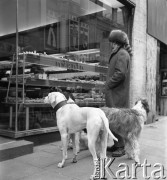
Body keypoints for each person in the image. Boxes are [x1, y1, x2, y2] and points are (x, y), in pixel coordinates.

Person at [105, 29, 132, 157]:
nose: (112, 44)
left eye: (113, 42)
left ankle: (121, 147)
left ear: (117, 42)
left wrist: (109, 84)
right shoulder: (120, 52)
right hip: (115, 92)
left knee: (117, 121)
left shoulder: (122, 53)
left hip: (117, 93)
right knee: (113, 119)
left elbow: (120, 73)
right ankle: (117, 144)